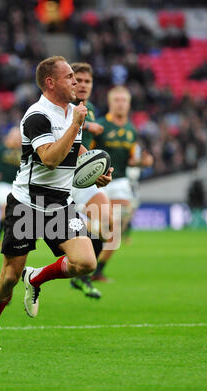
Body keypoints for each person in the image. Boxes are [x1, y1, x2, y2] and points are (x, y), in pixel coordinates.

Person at [0, 56, 113, 350]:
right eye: (69, 77)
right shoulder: (37, 116)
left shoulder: (74, 112)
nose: (76, 81)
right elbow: (51, 159)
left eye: (76, 77)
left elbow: (74, 154)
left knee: (86, 262)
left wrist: (95, 174)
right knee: (8, 279)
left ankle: (37, 277)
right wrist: (77, 123)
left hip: (60, 205)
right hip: (27, 204)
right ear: (51, 83)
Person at [91, 86, 153, 282]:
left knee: (118, 226)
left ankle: (98, 270)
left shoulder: (131, 130)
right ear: (110, 103)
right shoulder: (100, 125)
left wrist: (144, 161)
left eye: (123, 100)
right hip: (98, 182)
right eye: (116, 99)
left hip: (120, 181)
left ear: (128, 104)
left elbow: (132, 159)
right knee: (102, 226)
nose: (120, 103)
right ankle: (87, 260)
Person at [69, 62, 111, 299]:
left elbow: (95, 149)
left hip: (82, 179)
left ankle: (81, 275)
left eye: (87, 81)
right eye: (78, 80)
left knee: (108, 224)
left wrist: (103, 169)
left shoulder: (92, 108)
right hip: (59, 179)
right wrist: (86, 124)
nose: (83, 85)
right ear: (70, 81)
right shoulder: (62, 105)